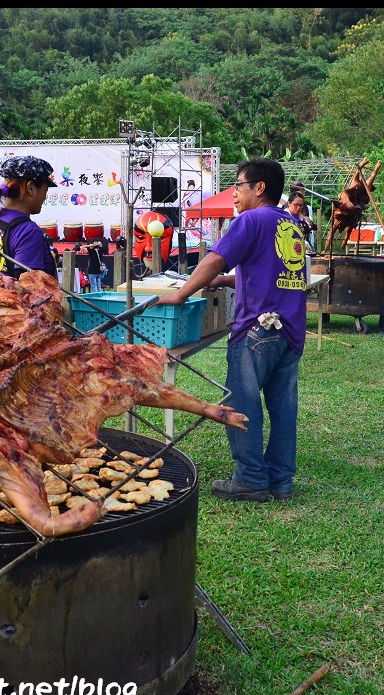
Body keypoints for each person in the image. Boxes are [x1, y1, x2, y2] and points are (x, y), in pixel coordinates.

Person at [157, 157, 307, 503]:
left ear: (259, 187)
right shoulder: (291, 223)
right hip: (290, 330)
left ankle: (251, 479)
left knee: (243, 402)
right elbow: (266, 268)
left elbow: (214, 259)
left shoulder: (249, 220)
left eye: (238, 185)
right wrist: (225, 280)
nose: (234, 193)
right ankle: (281, 481)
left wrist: (181, 293)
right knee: (283, 408)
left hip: (257, 329)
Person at [0, 155, 59, 277]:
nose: (45, 197)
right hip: (15, 296)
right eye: (45, 191)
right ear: (31, 188)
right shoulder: (28, 231)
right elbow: (29, 289)